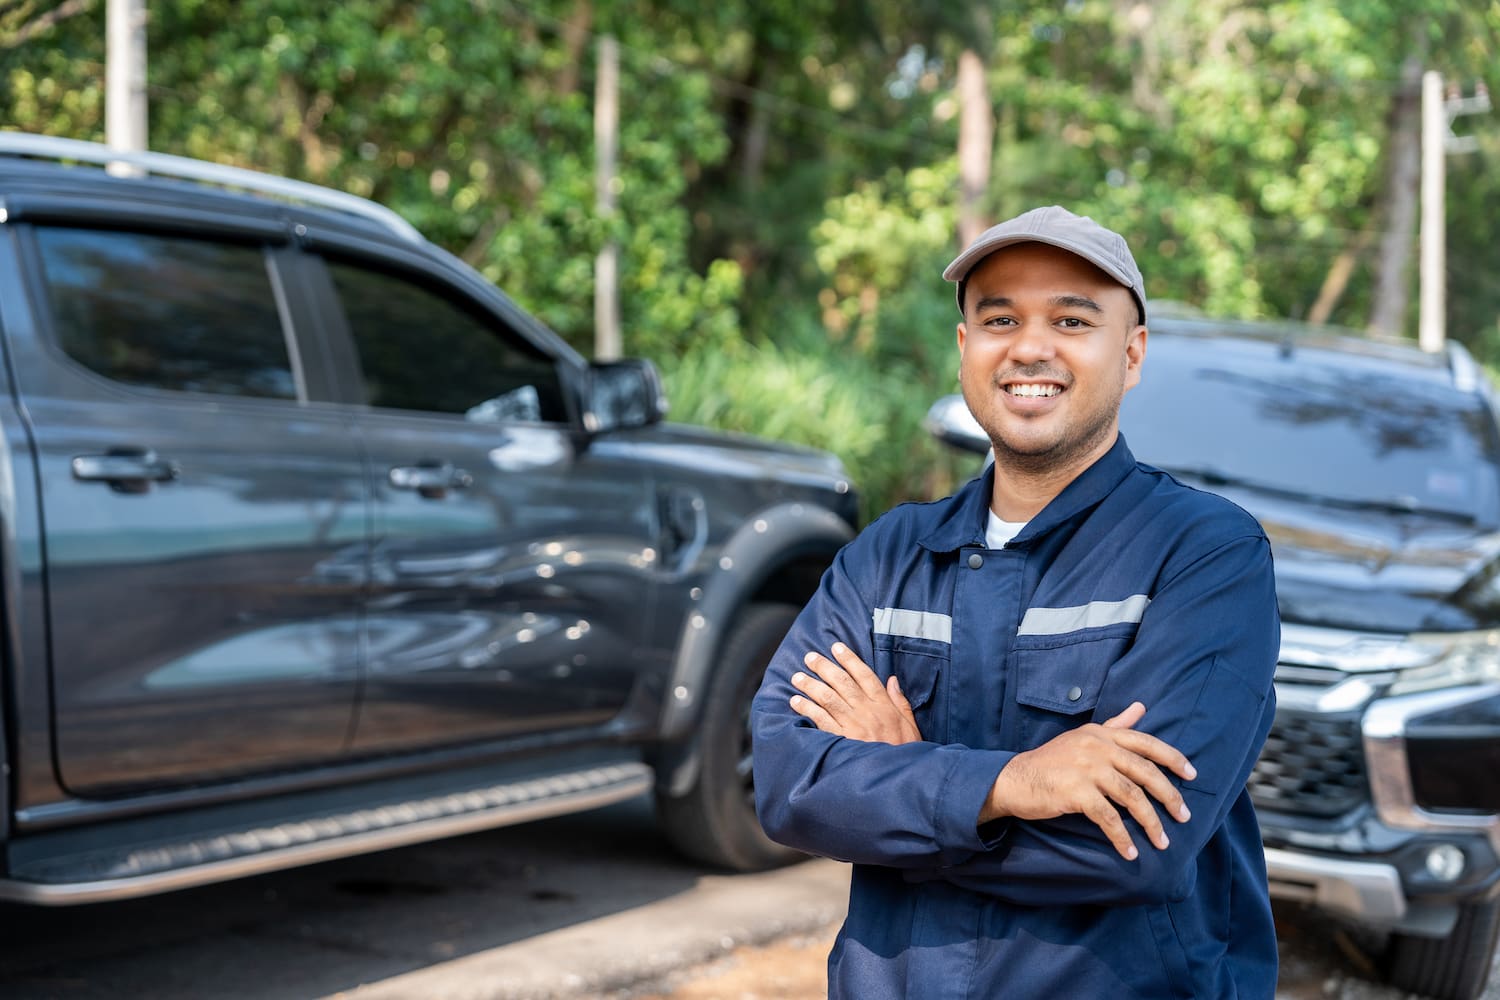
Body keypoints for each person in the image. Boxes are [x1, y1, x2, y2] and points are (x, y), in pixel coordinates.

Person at [750, 205, 1280, 999]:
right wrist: (1010, 787)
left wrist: (899, 784)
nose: (1030, 346)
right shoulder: (887, 557)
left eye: (1072, 319)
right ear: (966, 348)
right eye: (1000, 318)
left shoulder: (1204, 554)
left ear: (1131, 354)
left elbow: (1138, 843)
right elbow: (788, 783)